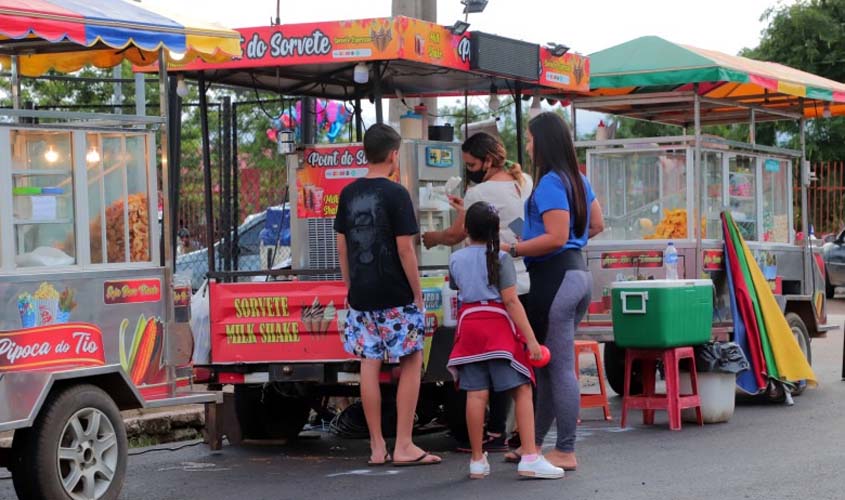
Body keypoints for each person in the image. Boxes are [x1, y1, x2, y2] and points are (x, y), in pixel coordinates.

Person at [334, 124, 442, 467]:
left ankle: (377, 447)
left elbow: (341, 245)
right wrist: (417, 293)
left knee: (369, 364)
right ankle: (406, 444)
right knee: (410, 361)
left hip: (362, 293)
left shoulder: (348, 193)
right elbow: (405, 249)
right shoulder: (396, 194)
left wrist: (351, 285)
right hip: (396, 292)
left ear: (365, 152)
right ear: (394, 154)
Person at [502, 112, 604, 471]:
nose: (527, 146)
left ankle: (566, 448)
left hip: (555, 279)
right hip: (576, 275)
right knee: (544, 366)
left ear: (542, 142)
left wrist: (517, 249)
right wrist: (563, 243)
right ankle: (534, 444)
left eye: (529, 140)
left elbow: (556, 236)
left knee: (558, 368)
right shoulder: (578, 179)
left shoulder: (549, 183)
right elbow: (596, 224)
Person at [422, 131, 532, 452]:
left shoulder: (480, 192)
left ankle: (492, 436)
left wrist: (432, 237)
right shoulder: (523, 180)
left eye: (471, 164)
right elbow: (517, 225)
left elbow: (459, 233)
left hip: (493, 290)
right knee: (516, 363)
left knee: (489, 370)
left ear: (486, 160)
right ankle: (516, 434)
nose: (469, 169)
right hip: (523, 280)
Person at [447, 201, 564, 480]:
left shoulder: (456, 259)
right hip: (497, 330)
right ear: (494, 231)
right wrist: (532, 341)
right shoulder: (500, 259)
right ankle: (530, 457)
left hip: (469, 329)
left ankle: (477, 460)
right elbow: (511, 301)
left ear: (466, 230)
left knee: (475, 394)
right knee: (522, 389)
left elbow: (455, 287)